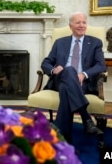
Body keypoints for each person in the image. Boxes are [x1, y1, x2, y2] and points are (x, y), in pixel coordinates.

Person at [41, 12, 107, 143]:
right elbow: (46, 63)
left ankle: (63, 138)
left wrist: (84, 74)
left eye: (84, 22)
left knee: (66, 89)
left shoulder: (95, 43)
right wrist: (54, 70)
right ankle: (86, 118)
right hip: (60, 79)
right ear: (70, 25)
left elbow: (101, 65)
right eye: (78, 22)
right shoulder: (60, 43)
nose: (82, 25)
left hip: (83, 83)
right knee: (70, 70)